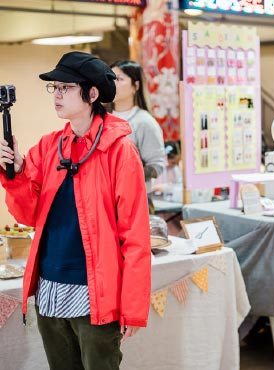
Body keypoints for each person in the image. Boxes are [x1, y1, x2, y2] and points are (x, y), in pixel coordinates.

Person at [0, 51, 151, 370]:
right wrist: (15, 175)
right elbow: (28, 216)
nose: (56, 94)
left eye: (65, 87)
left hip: (96, 296)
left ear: (92, 93)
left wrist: (134, 306)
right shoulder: (48, 145)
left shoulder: (121, 151)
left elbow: (135, 234)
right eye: (54, 87)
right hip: (50, 292)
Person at [110, 60, 165, 213]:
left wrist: (126, 173)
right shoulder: (100, 118)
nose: (112, 83)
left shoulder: (144, 121)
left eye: (119, 79)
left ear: (136, 86)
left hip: (136, 202)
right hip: (106, 201)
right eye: (110, 78)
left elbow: (157, 166)